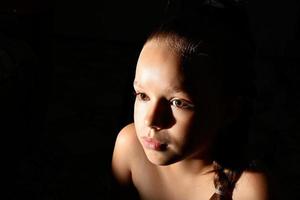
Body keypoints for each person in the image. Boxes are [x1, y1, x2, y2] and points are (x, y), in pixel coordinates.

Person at [111, 2, 269, 200]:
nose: (150, 120)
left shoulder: (247, 188)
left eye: (178, 103)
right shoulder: (129, 147)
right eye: (143, 95)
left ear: (229, 111)